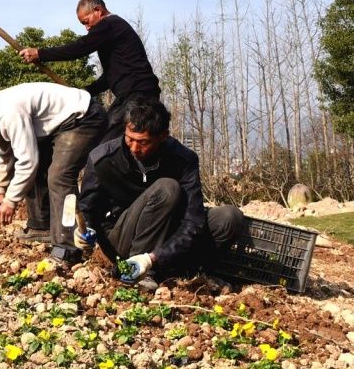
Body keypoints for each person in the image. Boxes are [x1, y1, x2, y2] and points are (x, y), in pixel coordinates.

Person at [77, 99, 243, 288]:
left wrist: (154, 257)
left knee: (229, 218)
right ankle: (134, 272)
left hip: (165, 239)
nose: (134, 148)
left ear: (163, 136)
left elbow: (193, 220)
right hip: (122, 238)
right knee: (167, 188)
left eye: (143, 142)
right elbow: (87, 208)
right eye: (129, 138)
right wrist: (84, 229)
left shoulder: (184, 160)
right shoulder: (103, 159)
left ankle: (186, 272)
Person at [0, 75, 107, 250]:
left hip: (85, 118)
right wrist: (0, 190)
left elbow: (28, 161)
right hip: (60, 126)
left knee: (59, 176)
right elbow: (6, 154)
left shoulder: (10, 112)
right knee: (35, 163)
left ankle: (68, 245)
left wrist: (11, 201)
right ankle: (42, 226)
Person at [19, 0, 160, 142]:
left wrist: (40, 54)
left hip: (138, 95)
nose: (87, 28)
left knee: (108, 143)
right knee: (109, 137)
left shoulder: (109, 24)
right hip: (135, 94)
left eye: (86, 22)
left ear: (98, 10)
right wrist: (85, 92)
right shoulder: (114, 32)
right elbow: (109, 77)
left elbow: (80, 48)